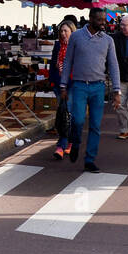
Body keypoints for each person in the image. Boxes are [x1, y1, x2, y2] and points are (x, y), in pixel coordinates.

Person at [59, 7, 121, 173]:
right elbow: (68, 62)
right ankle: (76, 142)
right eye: (100, 20)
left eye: (104, 20)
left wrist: (117, 91)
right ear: (91, 18)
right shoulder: (77, 36)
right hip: (79, 85)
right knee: (77, 120)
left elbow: (114, 66)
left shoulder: (108, 40)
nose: (103, 23)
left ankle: (89, 160)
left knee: (95, 125)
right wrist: (63, 85)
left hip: (98, 87)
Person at [50, 20, 75, 159]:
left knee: (67, 113)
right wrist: (53, 82)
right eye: (61, 31)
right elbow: (54, 63)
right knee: (62, 114)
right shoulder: (58, 45)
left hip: (72, 85)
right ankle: (70, 141)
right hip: (59, 84)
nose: (63, 33)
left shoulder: (76, 46)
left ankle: (61, 145)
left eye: (66, 31)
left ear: (72, 32)